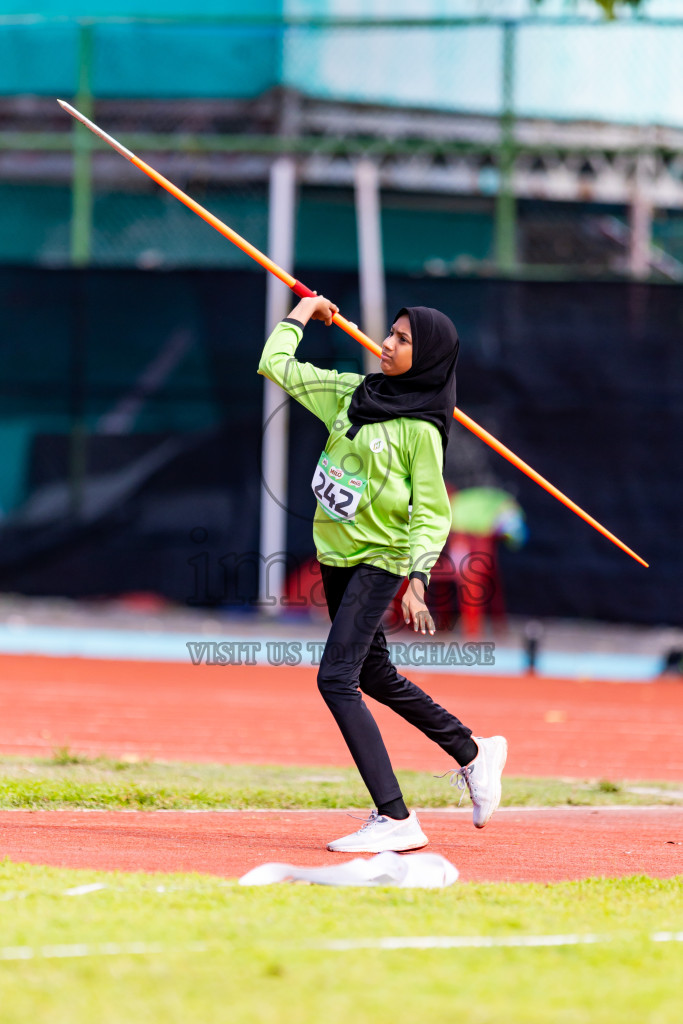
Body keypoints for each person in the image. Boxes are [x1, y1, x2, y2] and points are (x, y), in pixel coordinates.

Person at [257, 295, 507, 853]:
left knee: (335, 679)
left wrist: (417, 580)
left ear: (428, 357)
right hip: (336, 553)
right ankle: (472, 751)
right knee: (374, 675)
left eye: (401, 340)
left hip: (382, 558)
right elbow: (276, 363)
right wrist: (304, 311)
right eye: (388, 334)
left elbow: (431, 511)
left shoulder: (421, 430)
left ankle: (395, 817)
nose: (386, 344)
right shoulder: (350, 393)